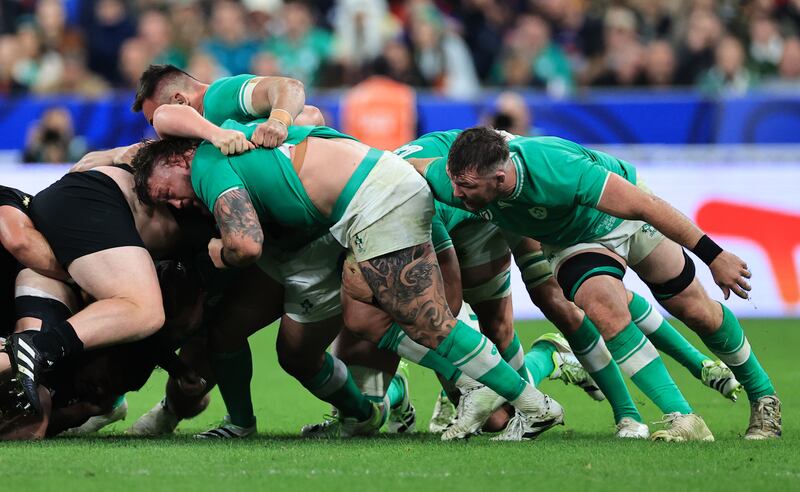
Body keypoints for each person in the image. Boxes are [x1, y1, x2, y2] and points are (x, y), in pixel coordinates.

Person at [132, 121, 565, 442]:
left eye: (164, 190)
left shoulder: (209, 161)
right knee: (286, 339)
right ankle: (274, 421)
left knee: (429, 325)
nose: (173, 202)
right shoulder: (234, 135)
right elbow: (318, 125)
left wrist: (217, 251)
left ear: (177, 157)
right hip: (333, 224)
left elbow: (244, 246)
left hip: (369, 205)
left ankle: (533, 404)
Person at [419, 127, 780, 441]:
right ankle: (684, 418)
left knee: (696, 310)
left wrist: (714, 255)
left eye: (465, 187)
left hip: (620, 218)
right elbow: (406, 169)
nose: (456, 194)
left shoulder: (553, 167)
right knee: (605, 309)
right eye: (454, 182)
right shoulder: (458, 184)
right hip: (571, 243)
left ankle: (763, 396)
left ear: (499, 178)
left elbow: (646, 205)